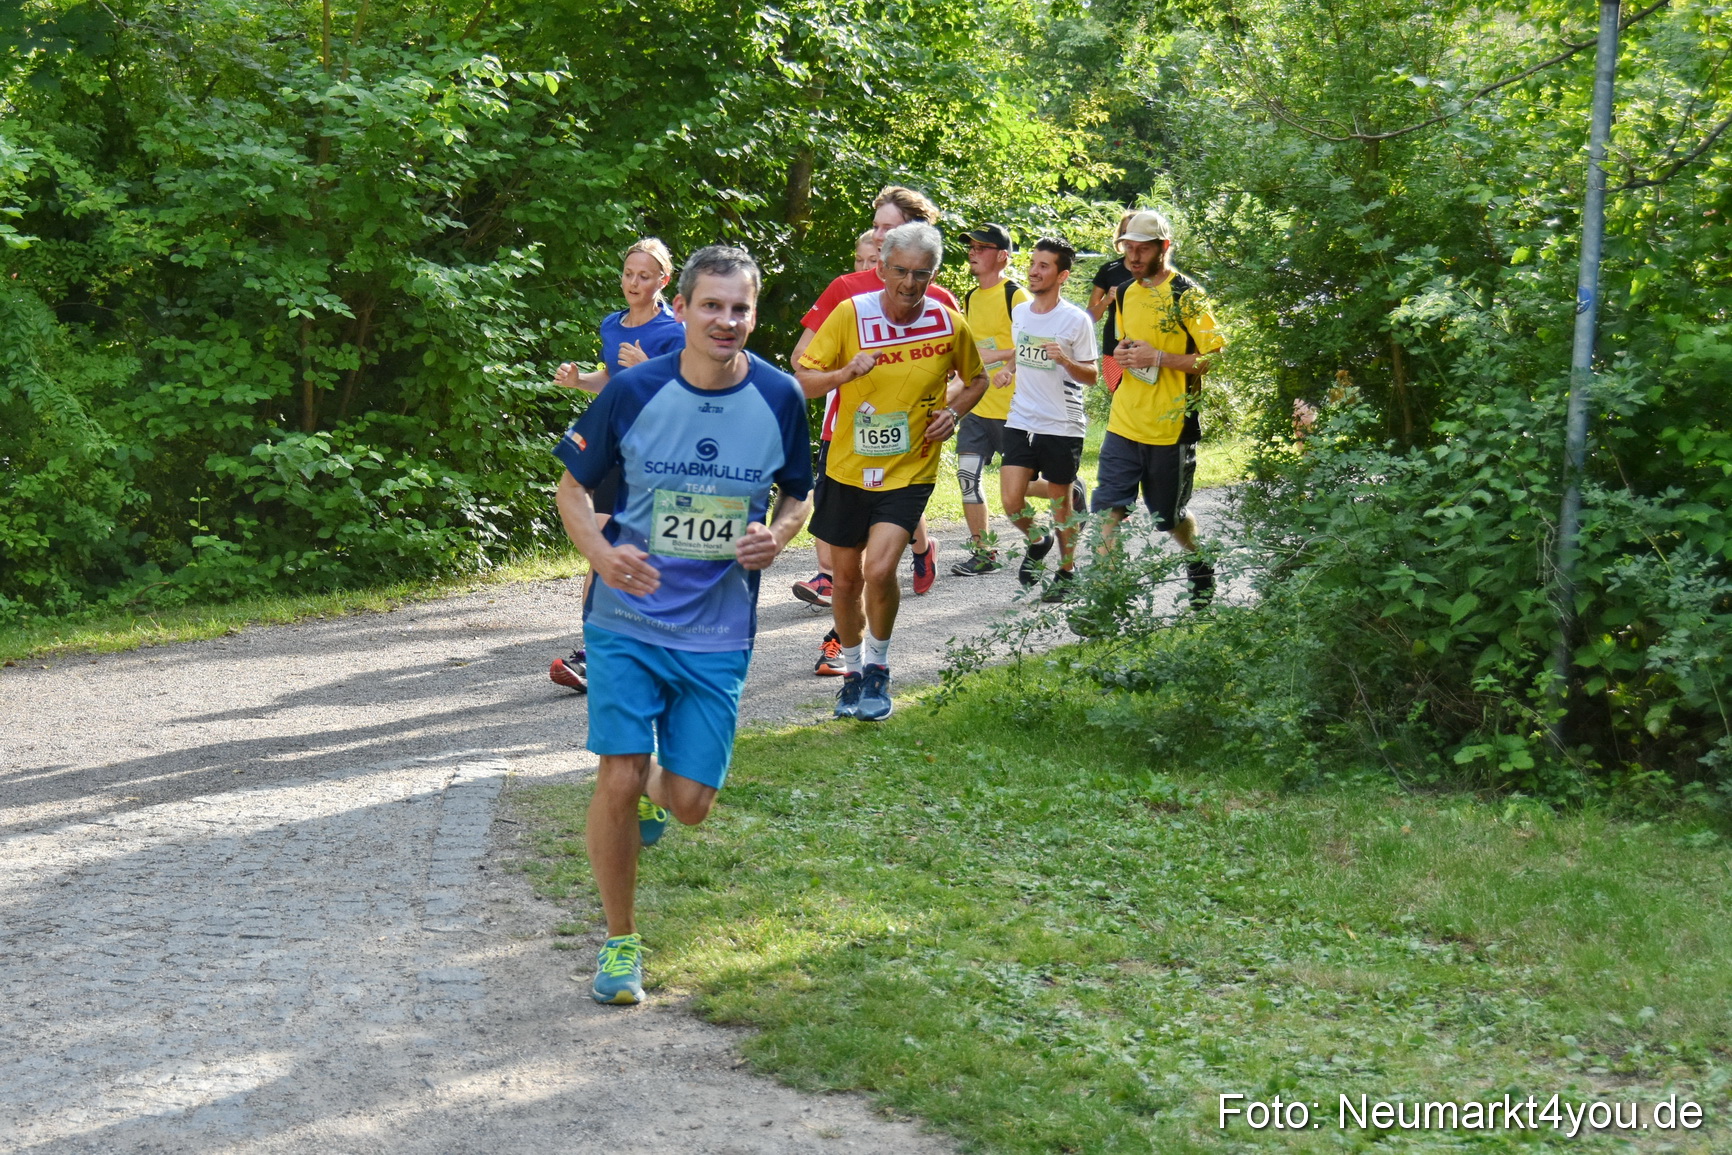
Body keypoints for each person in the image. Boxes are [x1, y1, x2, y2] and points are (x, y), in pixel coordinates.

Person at [552, 245, 813, 1005]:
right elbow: (571, 489)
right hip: (627, 617)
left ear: (752, 314)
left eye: (740, 309)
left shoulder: (781, 395)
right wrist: (601, 553)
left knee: (692, 802)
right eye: (712, 306)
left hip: (718, 626)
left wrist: (783, 533)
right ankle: (620, 943)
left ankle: (658, 805)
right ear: (686, 309)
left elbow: (800, 490)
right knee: (620, 772)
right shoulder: (633, 390)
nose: (726, 321)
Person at [796, 221, 987, 720]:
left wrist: (955, 412)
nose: (909, 283)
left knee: (878, 570)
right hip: (847, 467)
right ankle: (853, 672)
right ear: (881, 268)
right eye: (900, 271)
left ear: (934, 275)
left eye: (921, 274)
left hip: (910, 468)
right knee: (844, 580)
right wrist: (844, 374)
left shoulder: (948, 322)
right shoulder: (849, 314)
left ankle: (879, 668)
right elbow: (806, 380)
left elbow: (978, 378)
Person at [548, 238, 687, 694]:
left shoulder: (673, 332)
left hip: (656, 451)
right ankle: (596, 651)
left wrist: (648, 366)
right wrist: (579, 381)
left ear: (663, 281)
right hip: (615, 444)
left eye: (645, 276)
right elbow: (611, 380)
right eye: (629, 274)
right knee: (605, 540)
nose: (634, 283)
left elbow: (685, 395)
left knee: (646, 548)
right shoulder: (612, 325)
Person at [1091, 209, 1226, 607]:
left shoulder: (1186, 294)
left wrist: (1160, 358)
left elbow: (1211, 358)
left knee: (1168, 518)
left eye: (1142, 249)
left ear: (1163, 248)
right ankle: (1105, 602)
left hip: (1171, 428)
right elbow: (1120, 350)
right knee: (1107, 514)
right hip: (1124, 422)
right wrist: (1121, 353)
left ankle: (1199, 560)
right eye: (1127, 248)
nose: (1133, 257)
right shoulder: (1126, 293)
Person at [949, 224, 1086, 576]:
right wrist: (997, 366)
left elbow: (1079, 368)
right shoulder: (980, 301)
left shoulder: (1028, 301)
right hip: (998, 408)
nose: (973, 252)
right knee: (989, 487)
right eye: (972, 246)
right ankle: (998, 549)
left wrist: (1000, 361)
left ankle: (1067, 560)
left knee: (1045, 496)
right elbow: (1011, 348)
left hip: (1035, 413)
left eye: (982, 247)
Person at [996, 237, 1098, 600]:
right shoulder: (1021, 311)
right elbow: (1023, 348)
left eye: (1043, 266)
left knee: (1060, 505)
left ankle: (1067, 571)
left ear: (1062, 275)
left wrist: (1066, 361)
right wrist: (1009, 369)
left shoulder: (1075, 320)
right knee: (1011, 500)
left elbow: (1092, 374)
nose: (1034, 271)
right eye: (1033, 264)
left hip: (1062, 422)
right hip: (1022, 417)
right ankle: (1038, 540)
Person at [1086, 211, 1138, 393]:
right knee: (1118, 398)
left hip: (1146, 348)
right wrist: (1107, 299)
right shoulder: (1109, 270)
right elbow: (1090, 316)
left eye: (1134, 232)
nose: (1129, 238)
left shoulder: (1156, 272)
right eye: (1124, 232)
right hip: (1114, 348)